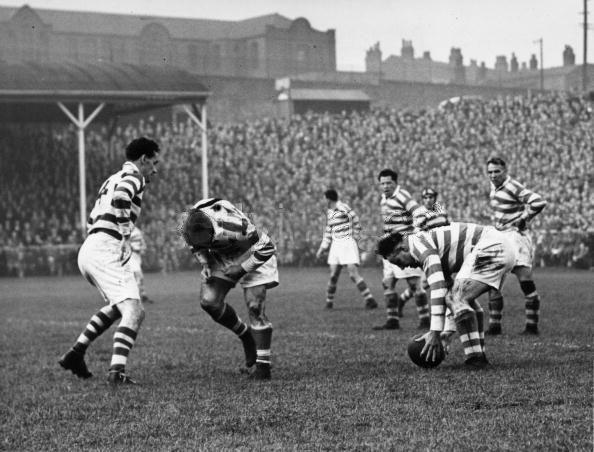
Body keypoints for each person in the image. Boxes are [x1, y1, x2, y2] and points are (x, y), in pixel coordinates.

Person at [59, 137, 160, 385]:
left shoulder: (111, 179)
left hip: (91, 247)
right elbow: (122, 197)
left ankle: (76, 353)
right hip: (106, 248)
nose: (155, 170)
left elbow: (93, 219)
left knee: (119, 307)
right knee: (134, 311)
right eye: (154, 163)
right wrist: (125, 234)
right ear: (143, 160)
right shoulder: (134, 176)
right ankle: (117, 372)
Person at [376, 222, 516, 368]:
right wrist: (446, 332)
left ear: (402, 248)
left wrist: (434, 332)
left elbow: (438, 289)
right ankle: (478, 356)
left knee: (458, 298)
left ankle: (475, 359)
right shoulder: (423, 244)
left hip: (492, 247)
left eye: (398, 261)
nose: (403, 267)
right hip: (499, 246)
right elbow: (446, 290)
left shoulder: (420, 247)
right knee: (461, 300)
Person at [179, 197, 278, 381]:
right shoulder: (187, 226)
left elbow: (267, 247)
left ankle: (263, 367)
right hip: (222, 256)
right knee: (210, 301)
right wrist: (206, 263)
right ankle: (246, 336)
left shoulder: (232, 224)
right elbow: (196, 246)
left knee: (255, 306)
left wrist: (241, 268)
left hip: (253, 251)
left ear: (213, 229)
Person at [485, 157, 547, 336]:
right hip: (501, 236)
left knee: (525, 281)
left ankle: (531, 327)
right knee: (492, 281)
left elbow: (538, 201)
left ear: (505, 171)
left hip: (515, 237)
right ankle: (494, 326)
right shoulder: (494, 186)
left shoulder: (512, 186)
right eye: (490, 172)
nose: (493, 175)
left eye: (497, 171)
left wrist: (523, 219)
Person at [374, 168, 429, 330]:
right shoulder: (383, 199)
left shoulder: (402, 196)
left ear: (396, 183)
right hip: (389, 249)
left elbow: (419, 212)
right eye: (382, 183)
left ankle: (425, 320)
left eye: (388, 183)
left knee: (414, 284)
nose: (385, 186)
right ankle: (392, 320)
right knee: (387, 283)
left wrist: (411, 236)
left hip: (402, 249)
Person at [315, 189, 377, 310]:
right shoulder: (329, 212)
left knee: (353, 274)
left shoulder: (342, 207)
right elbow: (328, 231)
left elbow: (355, 219)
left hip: (347, 243)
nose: (323, 201)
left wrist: (356, 234)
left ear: (328, 199)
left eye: (324, 198)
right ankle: (329, 302)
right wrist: (322, 248)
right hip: (336, 245)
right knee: (333, 275)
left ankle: (370, 299)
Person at [398, 187, 450, 317]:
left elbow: (447, 225)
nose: (428, 200)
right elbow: (417, 232)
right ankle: (444, 312)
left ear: (435, 198)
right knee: (428, 283)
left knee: (435, 282)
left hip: (443, 250)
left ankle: (402, 300)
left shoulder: (441, 210)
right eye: (425, 198)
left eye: (430, 197)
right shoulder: (420, 212)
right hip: (429, 251)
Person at [129, 226, 155, 304]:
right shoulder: (124, 229)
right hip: (130, 256)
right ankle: (136, 297)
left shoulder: (137, 230)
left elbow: (142, 243)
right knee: (138, 276)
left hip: (137, 257)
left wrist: (142, 249)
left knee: (138, 278)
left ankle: (142, 296)